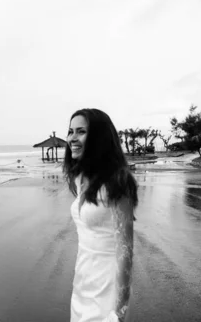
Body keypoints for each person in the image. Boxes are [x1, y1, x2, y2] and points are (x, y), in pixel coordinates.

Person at [63, 108, 138, 322]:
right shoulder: (79, 178)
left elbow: (125, 250)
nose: (72, 138)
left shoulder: (117, 181)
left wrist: (119, 310)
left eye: (81, 132)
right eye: (70, 131)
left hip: (107, 288)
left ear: (98, 137)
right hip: (83, 282)